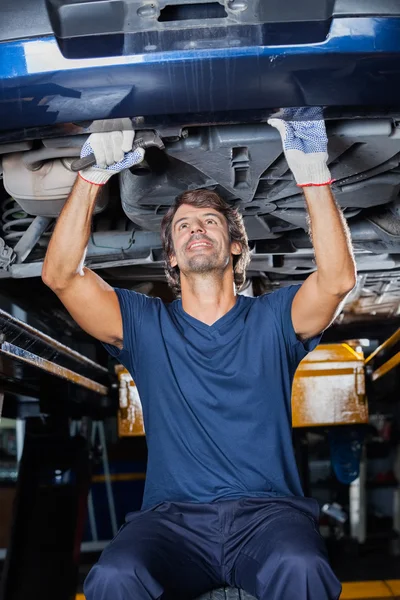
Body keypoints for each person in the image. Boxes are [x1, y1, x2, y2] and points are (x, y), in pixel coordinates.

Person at [42, 109, 356, 600]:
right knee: (114, 576)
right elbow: (62, 276)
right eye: (184, 225)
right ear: (171, 255)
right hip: (173, 523)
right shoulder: (146, 325)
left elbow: (337, 281)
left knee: (302, 565)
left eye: (210, 221)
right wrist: (92, 175)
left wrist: (314, 174)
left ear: (235, 246)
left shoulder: (274, 321)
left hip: (268, 517)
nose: (196, 229)